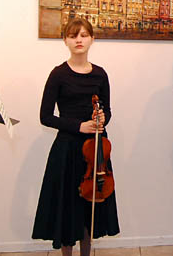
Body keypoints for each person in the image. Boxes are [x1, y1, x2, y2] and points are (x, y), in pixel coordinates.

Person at [32, 17, 119, 256]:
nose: (78, 40)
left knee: (90, 209)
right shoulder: (58, 74)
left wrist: (102, 119)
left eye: (83, 35)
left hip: (96, 149)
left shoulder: (100, 74)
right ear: (65, 41)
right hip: (68, 149)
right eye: (73, 36)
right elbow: (45, 117)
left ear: (92, 39)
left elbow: (108, 111)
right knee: (68, 207)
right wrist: (79, 126)